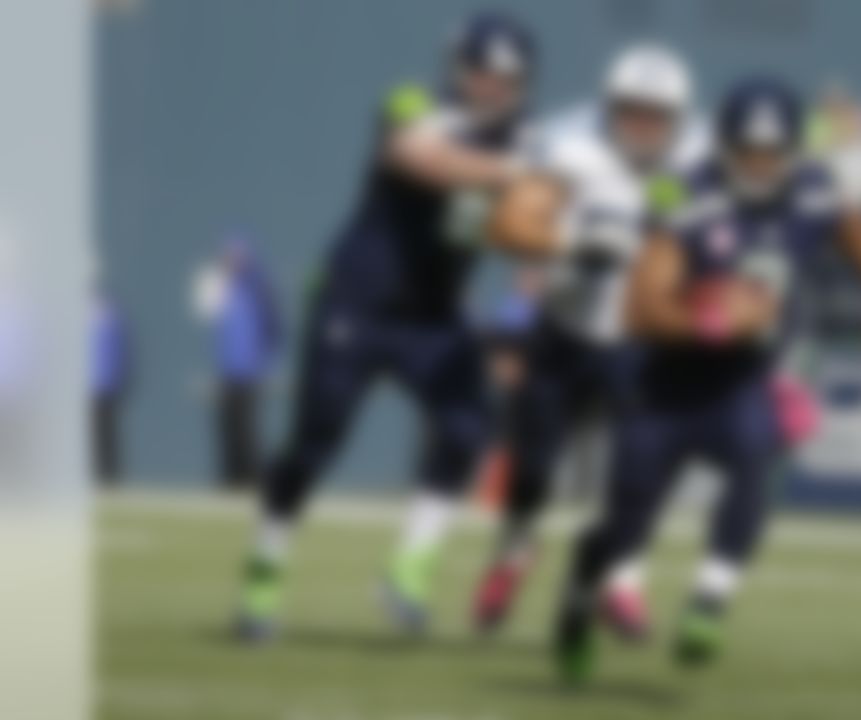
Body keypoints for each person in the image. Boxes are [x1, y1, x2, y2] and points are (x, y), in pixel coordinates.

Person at [553, 76, 861, 682]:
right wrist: (715, 319)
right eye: (748, 151)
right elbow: (641, 308)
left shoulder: (814, 188)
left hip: (742, 378)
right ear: (723, 145)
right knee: (628, 512)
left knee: (752, 452)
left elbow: (853, 230)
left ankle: (710, 600)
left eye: (772, 153)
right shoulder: (684, 194)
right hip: (665, 379)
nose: (760, 165)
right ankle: (587, 592)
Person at [233, 11, 537, 642]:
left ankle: (410, 566)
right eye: (482, 72)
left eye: (506, 78)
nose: (492, 87)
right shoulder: (415, 101)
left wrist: (528, 287)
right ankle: (266, 562)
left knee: (468, 426)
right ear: (459, 67)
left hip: (435, 313)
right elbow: (419, 157)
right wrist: (509, 174)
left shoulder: (526, 141)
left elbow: (531, 233)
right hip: (359, 301)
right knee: (318, 439)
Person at [476, 44, 706, 636]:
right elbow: (505, 223)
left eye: (657, 113)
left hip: (642, 337)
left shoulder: (703, 156)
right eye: (631, 109)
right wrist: (572, 246)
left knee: (637, 472)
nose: (643, 123)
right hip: (566, 328)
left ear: (678, 116)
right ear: (609, 105)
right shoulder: (570, 143)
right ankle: (515, 549)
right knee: (532, 472)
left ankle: (623, 578)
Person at [194, 236, 281, 489]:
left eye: (236, 257)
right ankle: (229, 479)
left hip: (250, 371)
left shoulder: (258, 288)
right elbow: (206, 313)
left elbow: (274, 327)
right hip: (227, 370)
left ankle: (252, 479)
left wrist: (268, 359)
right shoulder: (223, 288)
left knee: (248, 428)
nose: (231, 262)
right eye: (228, 257)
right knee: (227, 426)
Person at [91, 287, 131, 485]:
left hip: (106, 385)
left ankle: (110, 476)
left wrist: (117, 380)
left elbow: (119, 354)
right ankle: (100, 475)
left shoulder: (112, 320)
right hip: (95, 384)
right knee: (96, 433)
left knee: (107, 433)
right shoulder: (96, 321)